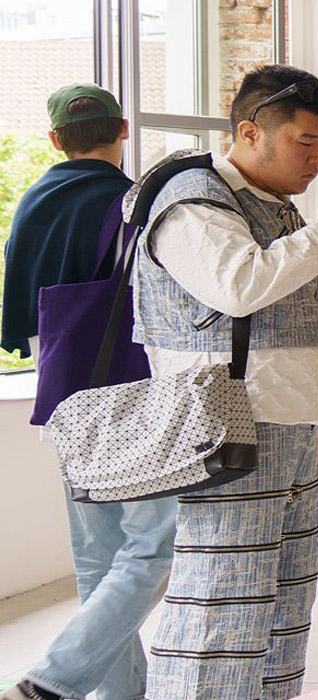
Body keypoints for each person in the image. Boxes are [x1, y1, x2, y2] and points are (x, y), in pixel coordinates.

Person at [128, 65, 318, 700]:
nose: (317, 159)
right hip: (224, 431)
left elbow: (289, 327)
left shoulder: (272, 204)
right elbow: (238, 287)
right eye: (304, 142)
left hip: (282, 425)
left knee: (284, 602)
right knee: (223, 599)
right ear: (249, 131)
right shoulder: (190, 200)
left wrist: (315, 424)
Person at [0, 85, 177, 700]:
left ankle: (119, 695)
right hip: (135, 393)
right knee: (153, 548)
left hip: (65, 396)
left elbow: (18, 320)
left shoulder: (31, 203)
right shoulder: (137, 202)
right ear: (122, 129)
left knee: (99, 557)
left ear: (54, 139)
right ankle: (55, 677)